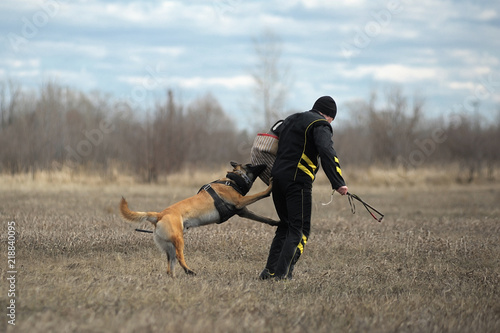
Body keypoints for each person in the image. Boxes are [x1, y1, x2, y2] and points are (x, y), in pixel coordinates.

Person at [259, 96, 348, 280]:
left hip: (276, 179)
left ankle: (269, 272)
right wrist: (338, 182)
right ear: (329, 116)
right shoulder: (320, 124)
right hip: (297, 181)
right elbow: (327, 151)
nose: (331, 123)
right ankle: (283, 275)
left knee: (285, 226)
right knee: (299, 230)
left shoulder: (291, 119)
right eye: (332, 119)